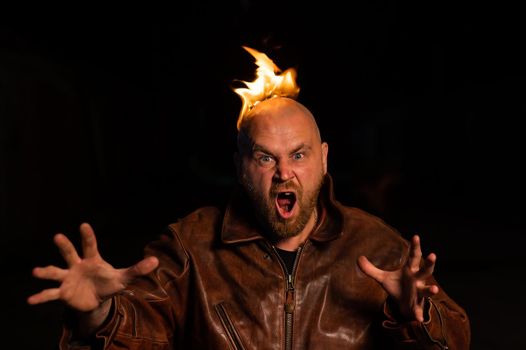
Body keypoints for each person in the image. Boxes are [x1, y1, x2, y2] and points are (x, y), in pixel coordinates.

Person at [28, 50, 470, 350]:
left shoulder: (377, 245)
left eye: (298, 154)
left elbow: (458, 339)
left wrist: (416, 315)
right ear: (241, 167)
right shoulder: (190, 249)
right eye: (265, 157)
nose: (283, 172)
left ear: (324, 159)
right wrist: (99, 314)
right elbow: (140, 334)